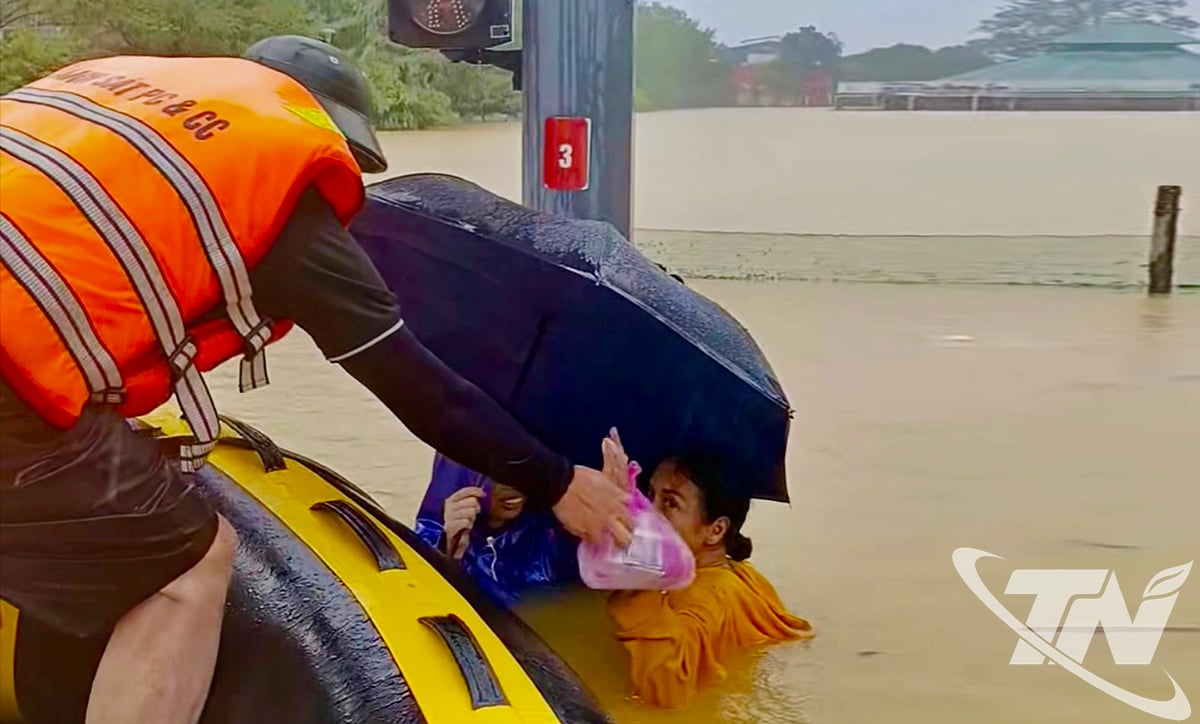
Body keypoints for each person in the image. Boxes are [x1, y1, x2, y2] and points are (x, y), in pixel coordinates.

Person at [0, 35, 630, 724]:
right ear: (326, 132)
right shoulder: (272, 186)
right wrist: (558, 482)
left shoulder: (127, 90)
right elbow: (415, 383)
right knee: (187, 565)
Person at [606, 453, 813, 710]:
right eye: (649, 495)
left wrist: (639, 586)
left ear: (715, 530)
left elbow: (665, 692)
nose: (647, 512)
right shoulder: (742, 574)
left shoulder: (705, 595)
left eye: (670, 502)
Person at [414, 453, 582, 607]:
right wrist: (446, 552)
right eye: (500, 473)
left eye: (524, 470)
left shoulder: (549, 530)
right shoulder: (441, 537)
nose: (515, 486)